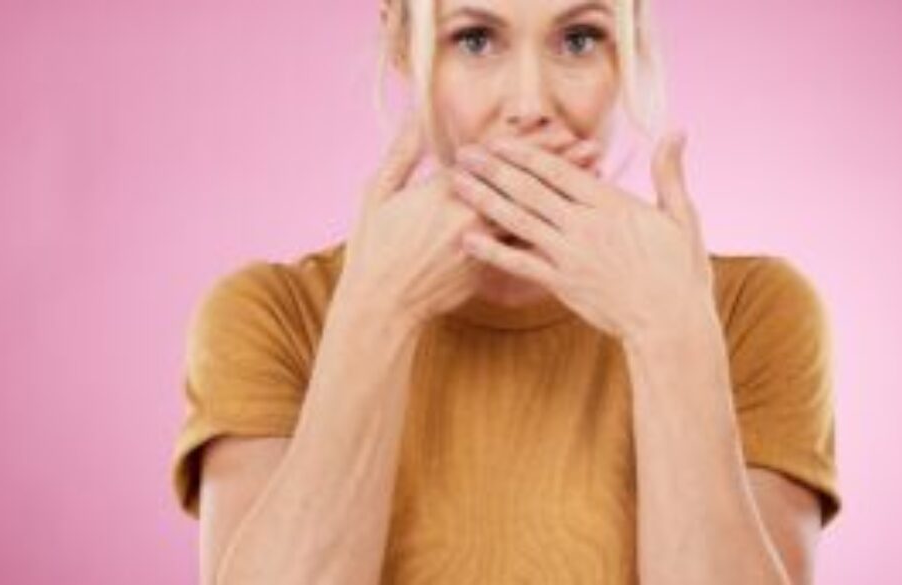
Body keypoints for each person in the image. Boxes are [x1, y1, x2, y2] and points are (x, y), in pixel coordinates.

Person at [170, 0, 841, 583]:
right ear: (406, 47)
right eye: (475, 39)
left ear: (631, 46)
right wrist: (378, 313)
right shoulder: (273, 316)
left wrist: (669, 335)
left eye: (578, 39)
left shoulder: (754, 313)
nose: (529, 104)